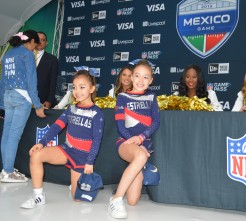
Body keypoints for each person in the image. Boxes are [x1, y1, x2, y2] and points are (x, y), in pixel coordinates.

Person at [20, 70, 104, 209]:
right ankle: (38, 196)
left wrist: (90, 162)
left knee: (76, 198)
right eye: (74, 87)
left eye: (82, 87)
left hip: (82, 157)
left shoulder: (97, 113)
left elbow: (97, 139)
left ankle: (79, 182)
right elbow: (56, 127)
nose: (77, 91)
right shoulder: (70, 108)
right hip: (67, 150)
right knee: (36, 155)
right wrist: (41, 143)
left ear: (92, 89)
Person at [108, 59, 160, 219]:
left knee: (132, 201)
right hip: (125, 142)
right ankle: (116, 201)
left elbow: (156, 122)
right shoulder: (122, 97)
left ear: (151, 80)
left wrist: (142, 138)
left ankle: (122, 188)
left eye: (145, 77)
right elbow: (120, 126)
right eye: (137, 76)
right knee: (141, 155)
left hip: (143, 144)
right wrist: (135, 141)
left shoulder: (151, 97)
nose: (140, 80)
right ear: (131, 77)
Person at [0, 30, 46, 183]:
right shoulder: (27, 55)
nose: (35, 47)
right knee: (13, 135)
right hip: (22, 98)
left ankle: (6, 170)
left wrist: (1, 103)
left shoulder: (8, 55)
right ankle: (8, 171)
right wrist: (38, 105)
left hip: (8, 96)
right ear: (31, 41)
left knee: (6, 134)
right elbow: (32, 83)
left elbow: (2, 80)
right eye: (35, 44)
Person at [35, 31, 59, 109]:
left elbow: (53, 82)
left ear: (46, 43)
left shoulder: (52, 60)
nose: (40, 42)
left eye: (43, 40)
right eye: (38, 39)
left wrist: (49, 100)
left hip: (42, 100)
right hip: (24, 100)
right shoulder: (25, 57)